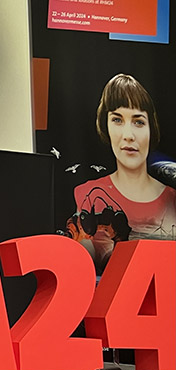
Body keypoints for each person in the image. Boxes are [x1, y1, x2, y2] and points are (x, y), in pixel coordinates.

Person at [72, 74, 176, 272]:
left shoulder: (172, 199)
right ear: (106, 126)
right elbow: (81, 269)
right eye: (117, 120)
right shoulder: (89, 195)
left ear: (151, 128)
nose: (128, 135)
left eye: (138, 122)